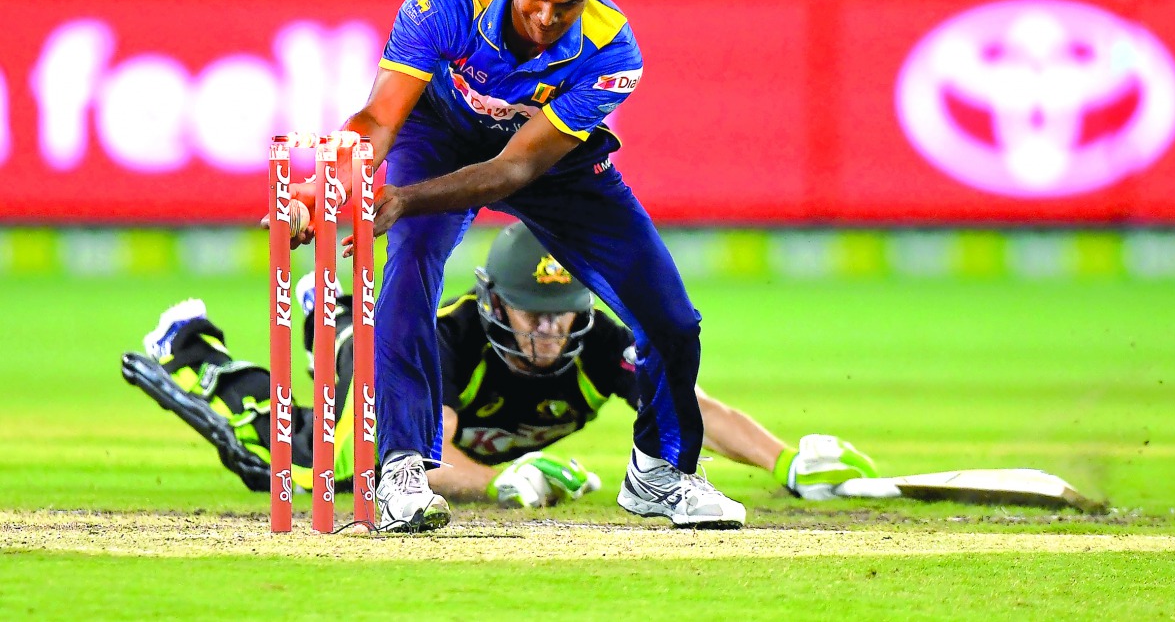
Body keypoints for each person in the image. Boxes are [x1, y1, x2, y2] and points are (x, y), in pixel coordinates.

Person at [285, 0, 749, 531]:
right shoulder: (444, 4)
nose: (547, 17)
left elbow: (514, 172)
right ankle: (399, 469)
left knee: (670, 318)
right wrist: (327, 181)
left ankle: (660, 473)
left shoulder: (614, 53)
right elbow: (378, 120)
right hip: (441, 135)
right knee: (408, 273)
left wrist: (404, 199)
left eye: (569, 5)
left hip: (548, 162)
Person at [122, 223, 879, 519]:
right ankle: (192, 343)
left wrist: (786, 457)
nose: (549, 331)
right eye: (530, 312)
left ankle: (340, 310)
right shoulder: (459, 340)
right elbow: (431, 459)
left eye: (560, 313)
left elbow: (691, 408)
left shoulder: (594, 338)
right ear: (495, 302)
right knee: (306, 462)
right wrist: (504, 481)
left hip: (434, 393)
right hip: (399, 363)